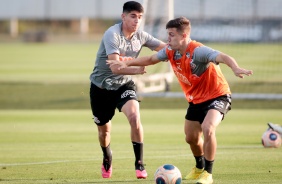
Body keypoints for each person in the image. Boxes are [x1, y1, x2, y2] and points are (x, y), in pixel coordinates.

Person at [107, 17, 253, 184]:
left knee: (208, 127)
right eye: (167, 34)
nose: (167, 39)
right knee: (190, 137)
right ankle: (199, 167)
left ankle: (208, 173)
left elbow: (223, 56)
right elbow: (150, 60)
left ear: (183, 36)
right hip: (196, 100)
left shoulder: (198, 51)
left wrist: (235, 67)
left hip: (218, 95)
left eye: (171, 35)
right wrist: (126, 63)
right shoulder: (170, 51)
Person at [89, 1, 166, 179]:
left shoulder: (141, 36)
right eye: (133, 16)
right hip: (101, 88)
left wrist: (183, 48)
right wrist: (136, 70)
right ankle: (107, 155)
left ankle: (139, 163)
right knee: (104, 131)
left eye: (139, 17)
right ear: (123, 16)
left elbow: (164, 48)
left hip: (124, 85)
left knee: (134, 116)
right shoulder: (112, 34)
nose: (136, 20)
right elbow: (115, 67)